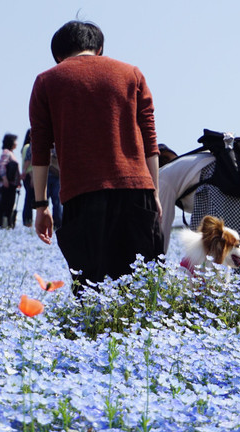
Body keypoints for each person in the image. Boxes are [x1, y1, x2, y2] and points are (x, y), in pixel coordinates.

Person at [28, 20, 164, 292]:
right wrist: (155, 193)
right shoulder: (131, 73)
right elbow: (150, 139)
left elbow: (39, 148)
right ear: (99, 48)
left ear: (58, 55)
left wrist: (41, 204)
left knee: (92, 288)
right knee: (144, 290)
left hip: (82, 194)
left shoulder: (47, 81)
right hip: (136, 189)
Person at [158, 147, 240, 298]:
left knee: (222, 262)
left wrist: (157, 265)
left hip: (223, 194)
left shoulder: (162, 176)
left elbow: (161, 229)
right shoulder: (191, 161)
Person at [0, 133, 22, 229]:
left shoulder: (11, 153)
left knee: (10, 205)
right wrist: (5, 179)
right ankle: (4, 225)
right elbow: (1, 166)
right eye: (15, 141)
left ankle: (8, 224)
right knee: (6, 205)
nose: (16, 143)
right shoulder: (6, 152)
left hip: (13, 184)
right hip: (8, 184)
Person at [20, 129, 35, 227]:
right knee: (31, 198)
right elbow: (29, 160)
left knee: (28, 198)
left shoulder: (24, 148)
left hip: (26, 176)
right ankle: (28, 220)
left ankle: (27, 220)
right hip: (31, 174)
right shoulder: (31, 146)